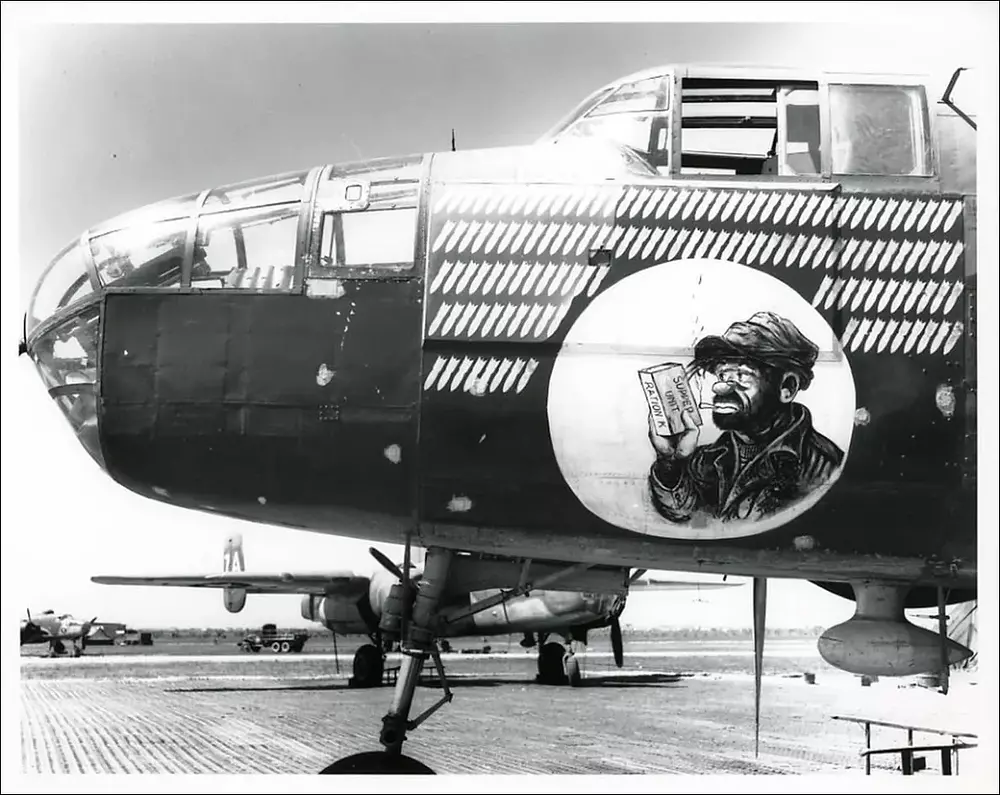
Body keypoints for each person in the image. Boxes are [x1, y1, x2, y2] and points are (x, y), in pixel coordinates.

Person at [647, 311, 844, 525]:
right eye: (722, 375)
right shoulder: (707, 459)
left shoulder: (823, 467)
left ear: (787, 387)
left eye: (741, 376)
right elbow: (689, 518)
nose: (720, 387)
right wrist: (670, 462)